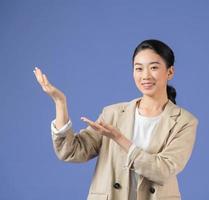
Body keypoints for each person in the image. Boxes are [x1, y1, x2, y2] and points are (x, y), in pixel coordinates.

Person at [33, 39, 199, 200]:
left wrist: (118, 138)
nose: (145, 75)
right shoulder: (113, 114)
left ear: (170, 72)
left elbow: (163, 170)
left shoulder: (184, 121)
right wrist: (60, 102)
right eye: (138, 68)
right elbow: (71, 151)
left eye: (154, 67)